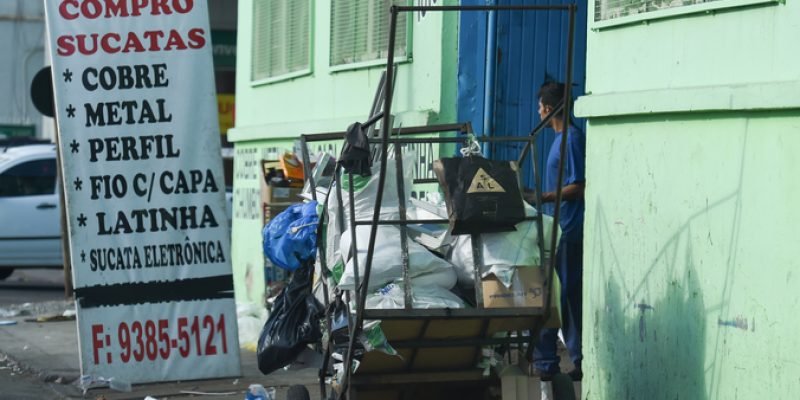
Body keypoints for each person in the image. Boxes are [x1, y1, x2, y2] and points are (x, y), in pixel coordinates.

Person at [529, 81, 586, 381]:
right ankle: (554, 359)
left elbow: (579, 185)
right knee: (557, 295)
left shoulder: (571, 140)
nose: (537, 111)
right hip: (558, 226)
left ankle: (566, 359)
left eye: (540, 106)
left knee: (562, 296)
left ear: (549, 109)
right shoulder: (558, 139)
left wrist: (547, 196)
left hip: (568, 227)